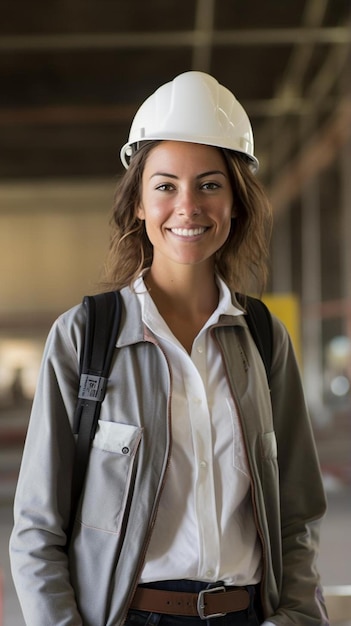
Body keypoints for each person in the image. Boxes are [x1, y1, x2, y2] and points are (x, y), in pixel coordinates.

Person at [9, 71, 329, 626]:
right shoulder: (86, 336)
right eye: (164, 186)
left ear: (236, 203)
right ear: (137, 202)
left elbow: (296, 514)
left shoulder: (261, 336)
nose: (188, 207)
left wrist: (298, 615)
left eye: (209, 185)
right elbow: (38, 528)